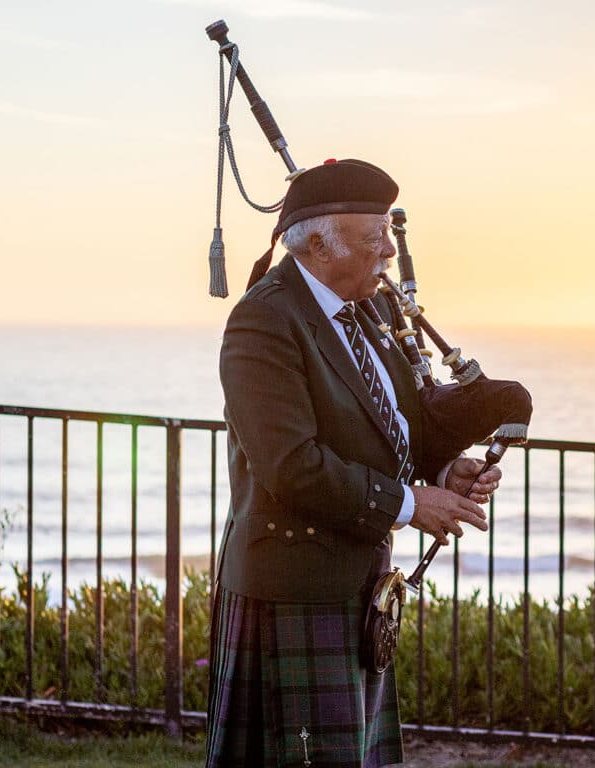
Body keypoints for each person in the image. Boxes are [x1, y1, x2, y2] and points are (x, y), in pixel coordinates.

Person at [206, 158, 502, 768]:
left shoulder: (370, 311)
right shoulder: (264, 321)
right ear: (318, 243)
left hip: (359, 586)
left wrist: (446, 471)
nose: (390, 252)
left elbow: (399, 423)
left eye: (389, 235)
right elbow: (291, 466)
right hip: (293, 591)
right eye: (375, 238)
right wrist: (413, 504)